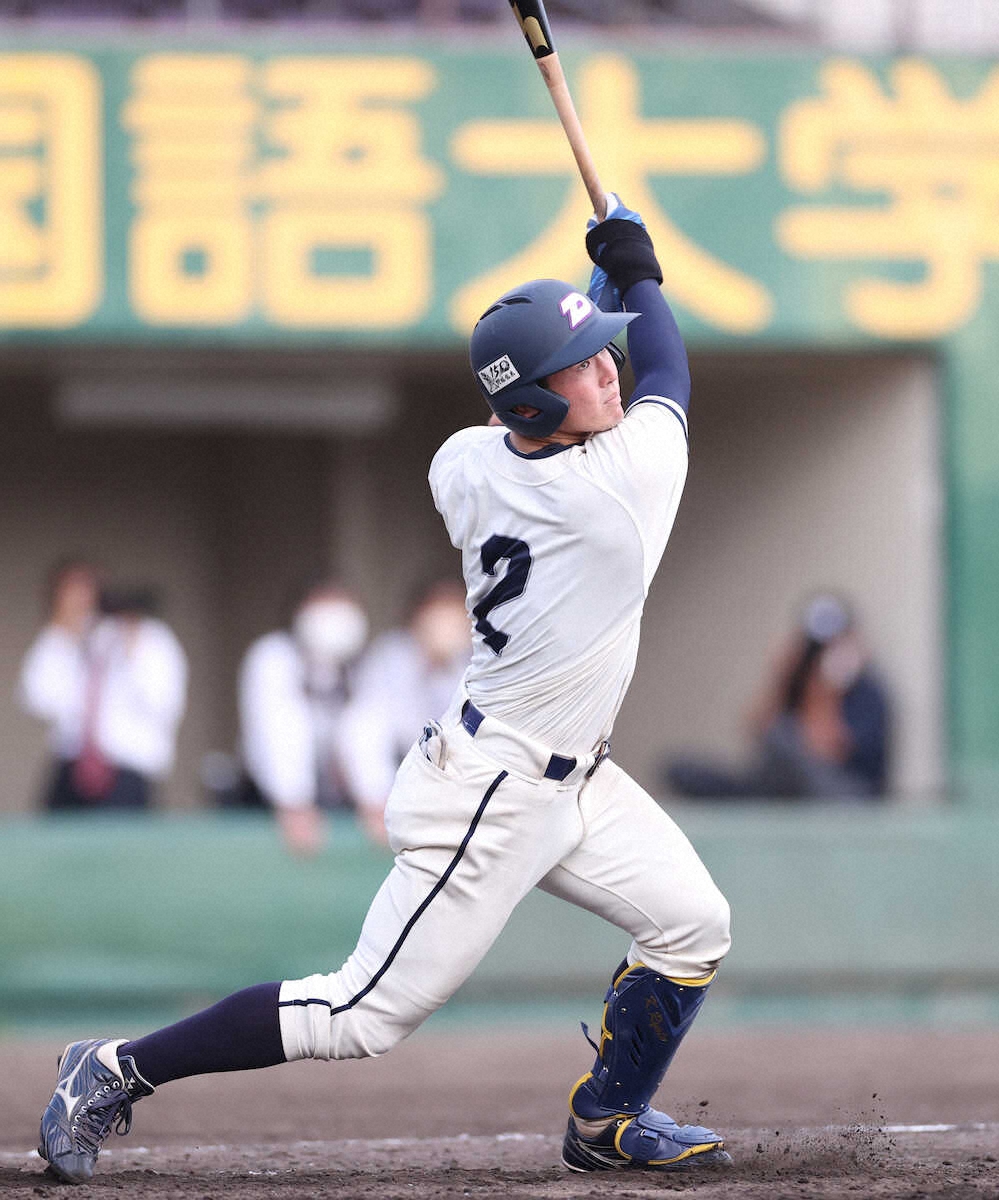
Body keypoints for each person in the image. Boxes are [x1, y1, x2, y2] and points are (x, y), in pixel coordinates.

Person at [36, 194, 732, 1182]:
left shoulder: (469, 460)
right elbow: (671, 370)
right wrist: (639, 269)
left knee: (693, 924)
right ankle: (108, 1069)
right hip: (493, 794)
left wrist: (597, 299)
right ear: (534, 404)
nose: (610, 368)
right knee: (360, 1014)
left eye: (603, 352)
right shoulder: (614, 493)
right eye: (585, 365)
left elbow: (599, 376)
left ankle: (608, 1118)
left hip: (570, 773)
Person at [665, 593, 890, 801]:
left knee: (783, 737)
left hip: (846, 795)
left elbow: (828, 752)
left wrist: (826, 690)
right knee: (683, 770)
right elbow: (757, 730)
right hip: (784, 789)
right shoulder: (796, 682)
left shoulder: (868, 693)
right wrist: (782, 676)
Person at [18, 560, 188, 811]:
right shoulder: (70, 638)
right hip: (71, 769)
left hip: (129, 772)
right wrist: (61, 632)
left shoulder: (154, 638)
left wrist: (133, 649)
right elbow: (37, 699)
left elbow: (164, 704)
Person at [236, 580, 369, 856]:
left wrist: (374, 796)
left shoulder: (360, 665)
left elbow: (366, 730)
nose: (334, 616)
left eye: (342, 604)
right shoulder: (274, 656)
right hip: (268, 803)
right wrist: (293, 801)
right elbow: (277, 727)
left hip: (337, 802)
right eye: (324, 604)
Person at [338, 579, 471, 844]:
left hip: (460, 790)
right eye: (437, 610)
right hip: (399, 778)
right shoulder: (391, 655)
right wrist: (377, 800)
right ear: (417, 616)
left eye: (455, 611)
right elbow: (365, 730)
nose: (445, 623)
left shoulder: (479, 662)